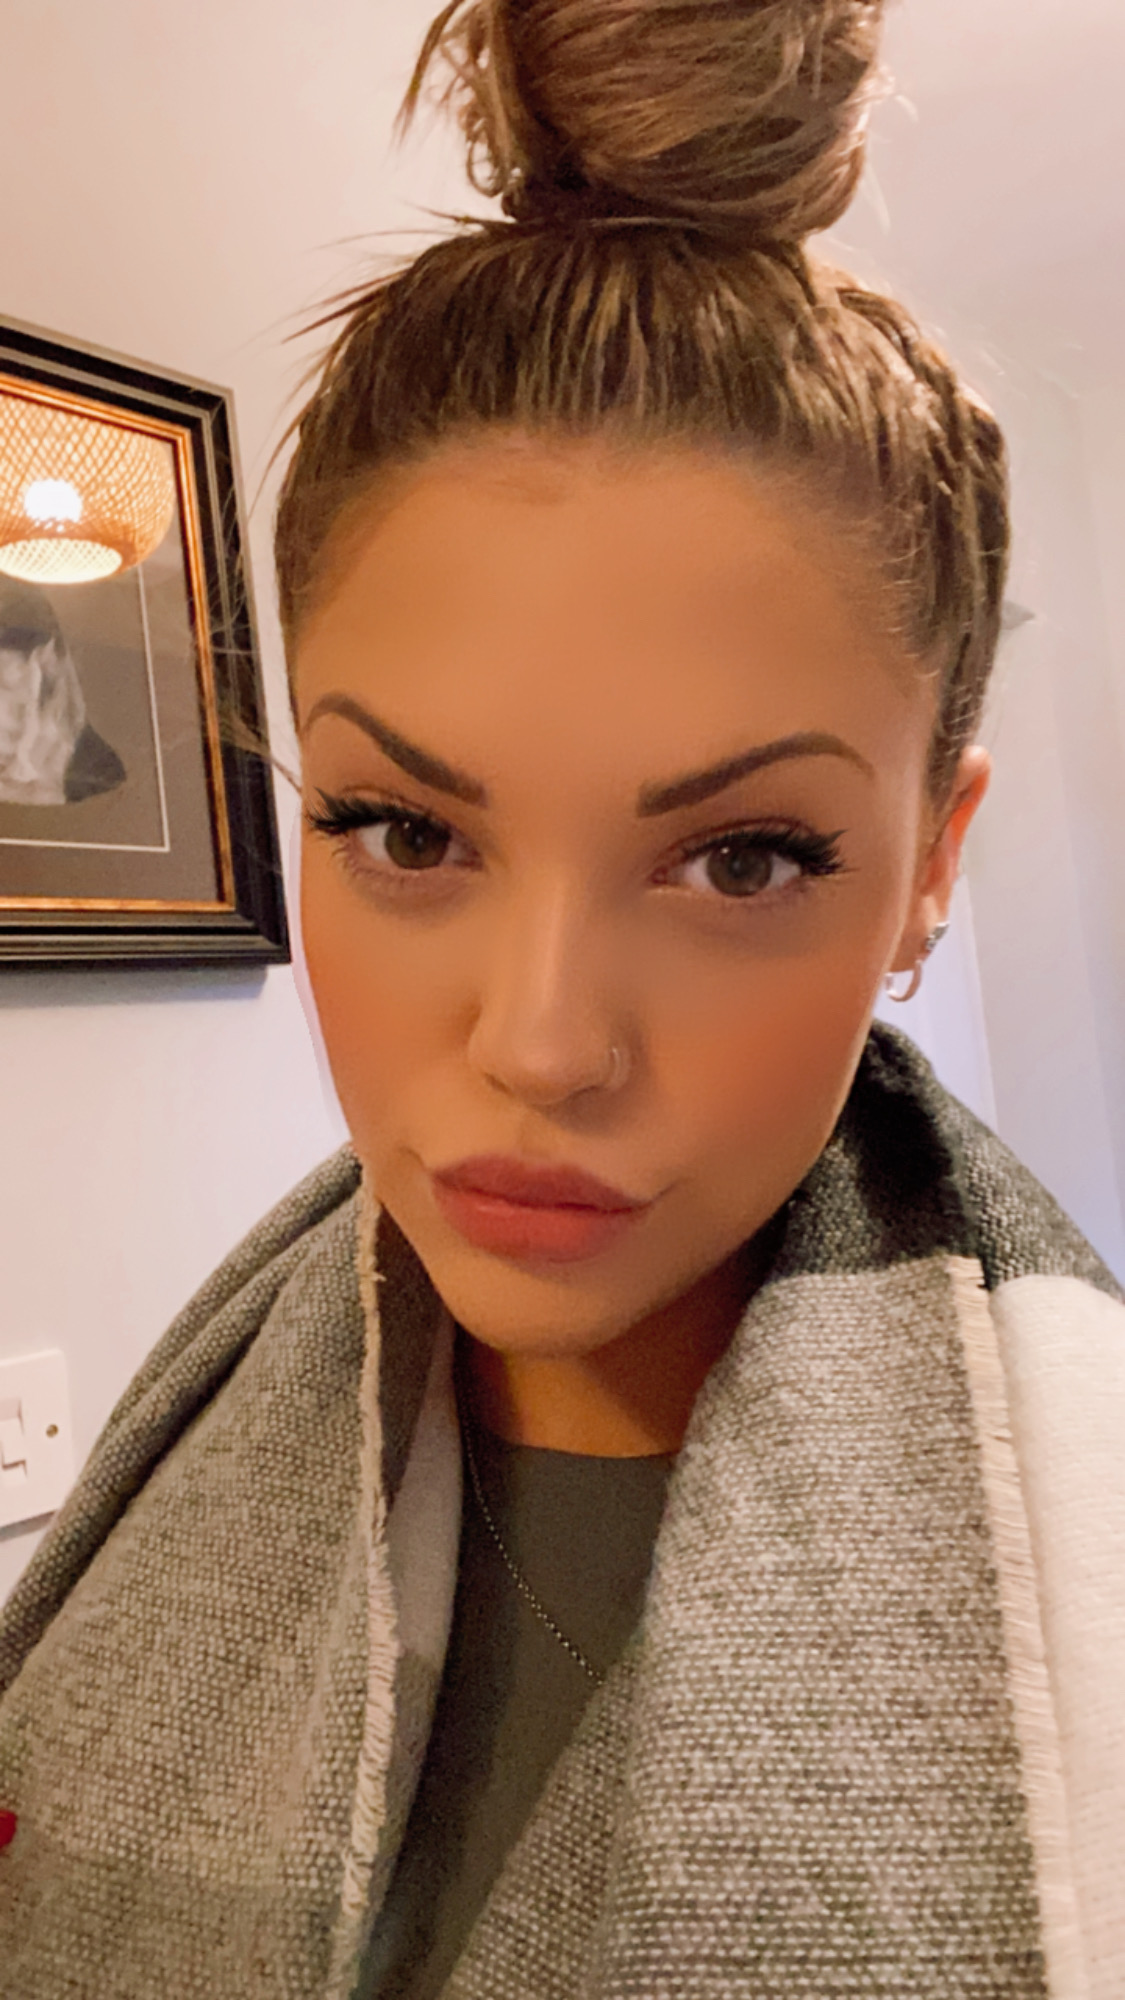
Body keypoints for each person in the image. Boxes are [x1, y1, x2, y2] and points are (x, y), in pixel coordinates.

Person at [1, 1, 1123, 1995]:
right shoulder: (163, 1492)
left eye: (740, 859)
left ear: (929, 863)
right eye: (404, 830)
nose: (537, 1042)